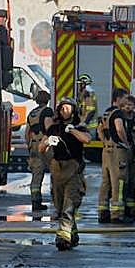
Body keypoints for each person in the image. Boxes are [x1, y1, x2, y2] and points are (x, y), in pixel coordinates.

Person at [43, 98, 91, 251]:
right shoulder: (53, 128)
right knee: (59, 207)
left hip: (73, 170)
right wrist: (47, 142)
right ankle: (73, 235)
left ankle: (63, 238)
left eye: (68, 108)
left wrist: (72, 130)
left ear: (74, 110)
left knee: (69, 206)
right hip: (57, 169)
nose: (65, 110)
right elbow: (39, 148)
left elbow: (87, 139)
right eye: (62, 108)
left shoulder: (80, 127)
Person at [97, 88, 130, 224]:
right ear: (119, 98)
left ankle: (103, 212)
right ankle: (117, 214)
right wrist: (126, 143)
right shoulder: (117, 113)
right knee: (119, 182)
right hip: (118, 151)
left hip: (107, 150)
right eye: (125, 98)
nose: (126, 101)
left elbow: (99, 129)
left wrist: (105, 141)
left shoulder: (107, 112)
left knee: (106, 182)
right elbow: (119, 128)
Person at [25, 90, 55, 212]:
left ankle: (35, 202)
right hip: (45, 144)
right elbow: (49, 128)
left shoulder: (32, 113)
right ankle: (56, 197)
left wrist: (30, 146)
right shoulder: (47, 111)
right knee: (55, 170)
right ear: (47, 100)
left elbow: (27, 133)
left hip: (33, 144)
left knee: (36, 175)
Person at [120, 95, 135, 223]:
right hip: (124, 150)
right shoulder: (120, 116)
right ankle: (122, 212)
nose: (129, 107)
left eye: (131, 105)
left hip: (133, 151)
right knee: (123, 180)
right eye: (127, 105)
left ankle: (130, 210)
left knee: (133, 181)